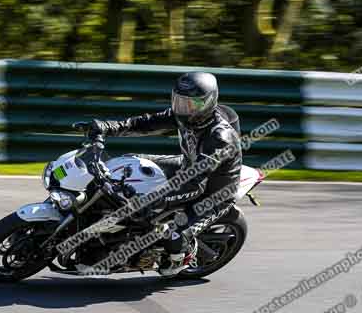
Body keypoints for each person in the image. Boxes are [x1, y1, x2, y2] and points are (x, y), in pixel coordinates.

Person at [78, 72, 242, 277]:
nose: (183, 108)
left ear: (208, 103)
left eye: (190, 104)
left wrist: (153, 202)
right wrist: (107, 127)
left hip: (212, 194)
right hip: (188, 166)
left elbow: (194, 185)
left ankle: (182, 258)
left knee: (171, 231)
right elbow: (143, 123)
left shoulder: (220, 138)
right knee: (130, 161)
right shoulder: (184, 116)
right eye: (179, 101)